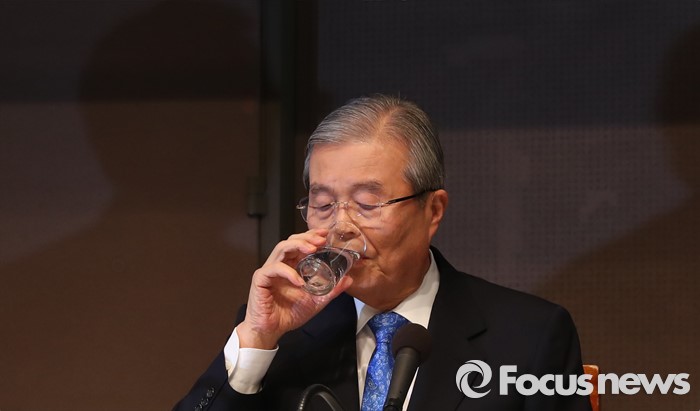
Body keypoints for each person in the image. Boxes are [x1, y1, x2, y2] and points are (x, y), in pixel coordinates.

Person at [173, 95, 592, 411]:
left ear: (433, 210)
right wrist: (256, 340)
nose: (341, 226)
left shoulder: (529, 336)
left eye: (367, 203)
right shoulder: (283, 335)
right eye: (323, 204)